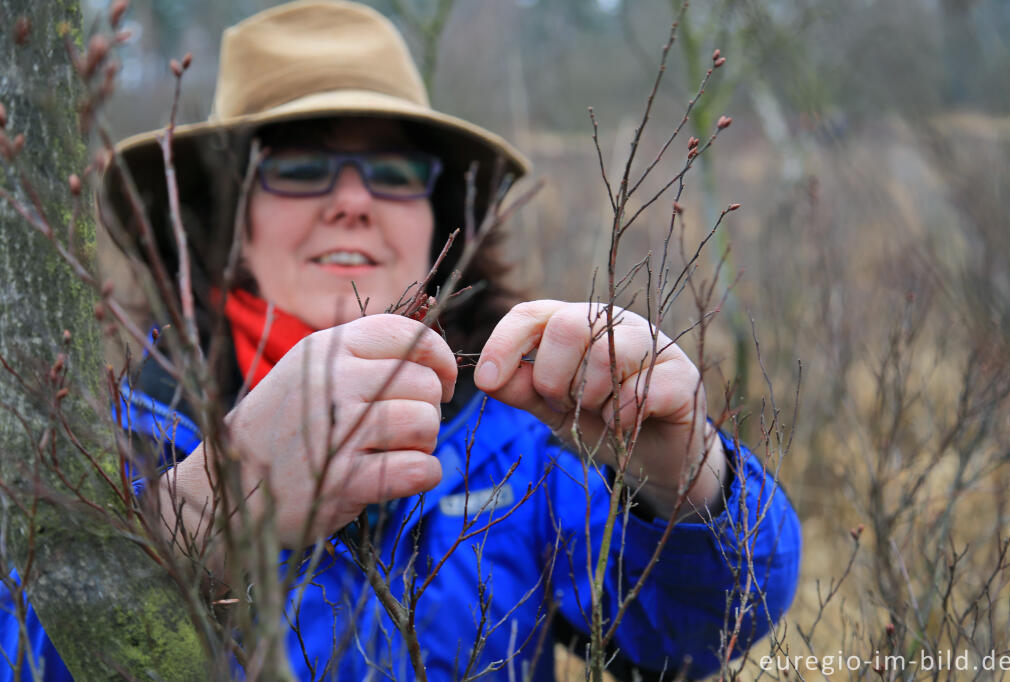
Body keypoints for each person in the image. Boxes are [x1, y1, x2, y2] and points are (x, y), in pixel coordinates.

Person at [0, 1, 801, 679]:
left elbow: (697, 636)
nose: (353, 200)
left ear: (435, 219)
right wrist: (204, 514)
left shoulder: (524, 439)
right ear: (227, 219)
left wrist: (688, 482)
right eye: (300, 167)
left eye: (393, 172)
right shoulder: (107, 446)